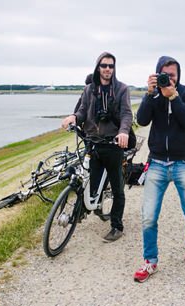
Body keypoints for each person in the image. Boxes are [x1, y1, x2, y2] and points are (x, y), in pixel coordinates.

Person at [133, 56, 185, 283]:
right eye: (165, 75)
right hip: (157, 163)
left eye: (172, 75)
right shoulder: (153, 95)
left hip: (184, 162)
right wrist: (149, 94)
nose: (169, 79)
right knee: (148, 217)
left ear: (178, 75)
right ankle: (150, 261)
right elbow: (142, 120)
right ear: (156, 75)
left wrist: (174, 97)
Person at [60, 52, 132, 242]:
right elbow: (82, 111)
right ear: (98, 67)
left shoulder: (122, 89)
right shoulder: (89, 89)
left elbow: (126, 114)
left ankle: (117, 226)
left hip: (113, 144)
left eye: (111, 66)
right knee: (91, 181)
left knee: (117, 188)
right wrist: (73, 118)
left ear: (114, 69)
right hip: (92, 142)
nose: (107, 69)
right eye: (104, 65)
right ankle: (94, 206)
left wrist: (123, 131)